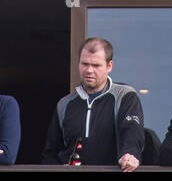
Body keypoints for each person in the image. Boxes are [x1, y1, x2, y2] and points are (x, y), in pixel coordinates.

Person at [41, 37, 144, 171]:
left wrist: (130, 155)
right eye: (84, 64)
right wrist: (59, 169)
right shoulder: (64, 104)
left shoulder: (124, 96)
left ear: (109, 66)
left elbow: (131, 133)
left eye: (96, 65)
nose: (89, 70)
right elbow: (50, 153)